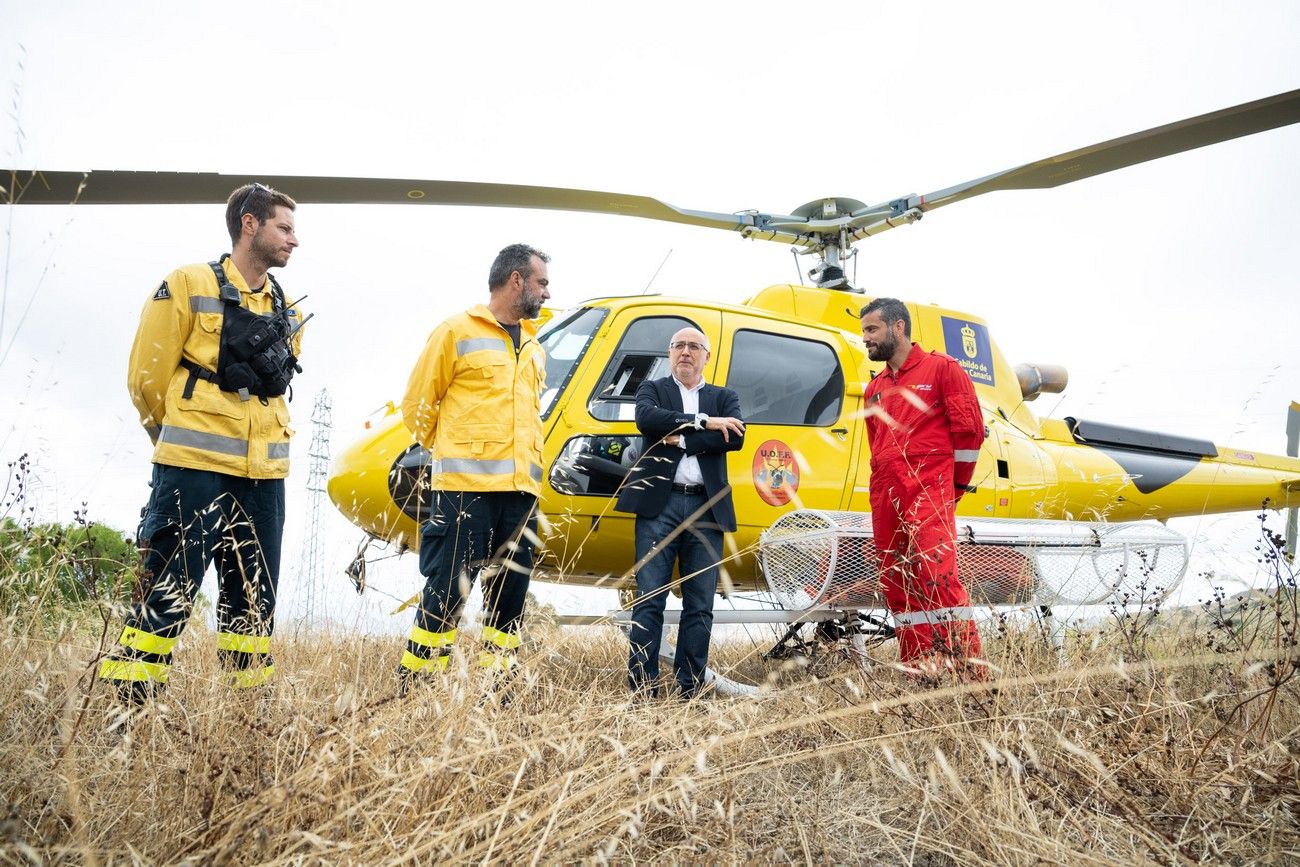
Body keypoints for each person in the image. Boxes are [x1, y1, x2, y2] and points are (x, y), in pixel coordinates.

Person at [99, 182, 305, 701]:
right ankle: (128, 713)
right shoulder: (187, 283)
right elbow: (147, 377)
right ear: (249, 224)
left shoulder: (289, 310)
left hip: (264, 483)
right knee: (163, 599)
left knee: (253, 610)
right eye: (284, 227)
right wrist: (176, 442)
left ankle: (244, 720)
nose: (294, 240)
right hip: (191, 473)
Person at [398, 243, 551, 684]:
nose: (546, 292)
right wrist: (453, 451)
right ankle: (419, 690)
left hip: (523, 494)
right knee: (447, 594)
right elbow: (417, 407)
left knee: (509, 602)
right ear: (516, 280)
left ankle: (496, 690)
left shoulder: (536, 347)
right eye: (541, 282)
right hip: (465, 490)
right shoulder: (455, 331)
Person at [615, 327, 745, 699]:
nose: (685, 352)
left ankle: (690, 689)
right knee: (649, 598)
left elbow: (735, 437)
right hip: (661, 505)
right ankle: (642, 689)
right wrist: (706, 424)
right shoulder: (653, 390)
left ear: (706, 355)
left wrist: (682, 439)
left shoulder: (725, 396)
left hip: (706, 507)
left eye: (693, 346)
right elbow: (647, 420)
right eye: (678, 346)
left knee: (700, 604)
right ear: (670, 354)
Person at [860, 297, 985, 677]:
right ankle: (922, 669)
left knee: (938, 576)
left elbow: (970, 435)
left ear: (898, 327)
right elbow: (876, 445)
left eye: (872, 330)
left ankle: (971, 673)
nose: (865, 338)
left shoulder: (943, 369)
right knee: (897, 581)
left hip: (929, 489)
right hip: (886, 494)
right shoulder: (874, 389)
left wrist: (954, 488)